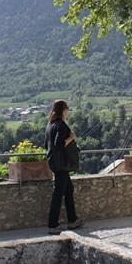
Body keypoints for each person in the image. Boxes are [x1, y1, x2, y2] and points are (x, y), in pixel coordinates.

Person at [45, 99, 83, 234]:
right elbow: (58, 145)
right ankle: (52, 224)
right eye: (67, 109)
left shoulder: (50, 125)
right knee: (58, 193)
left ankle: (72, 220)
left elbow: (47, 146)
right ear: (64, 110)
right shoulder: (60, 125)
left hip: (55, 163)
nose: (68, 111)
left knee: (68, 190)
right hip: (61, 164)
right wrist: (71, 137)